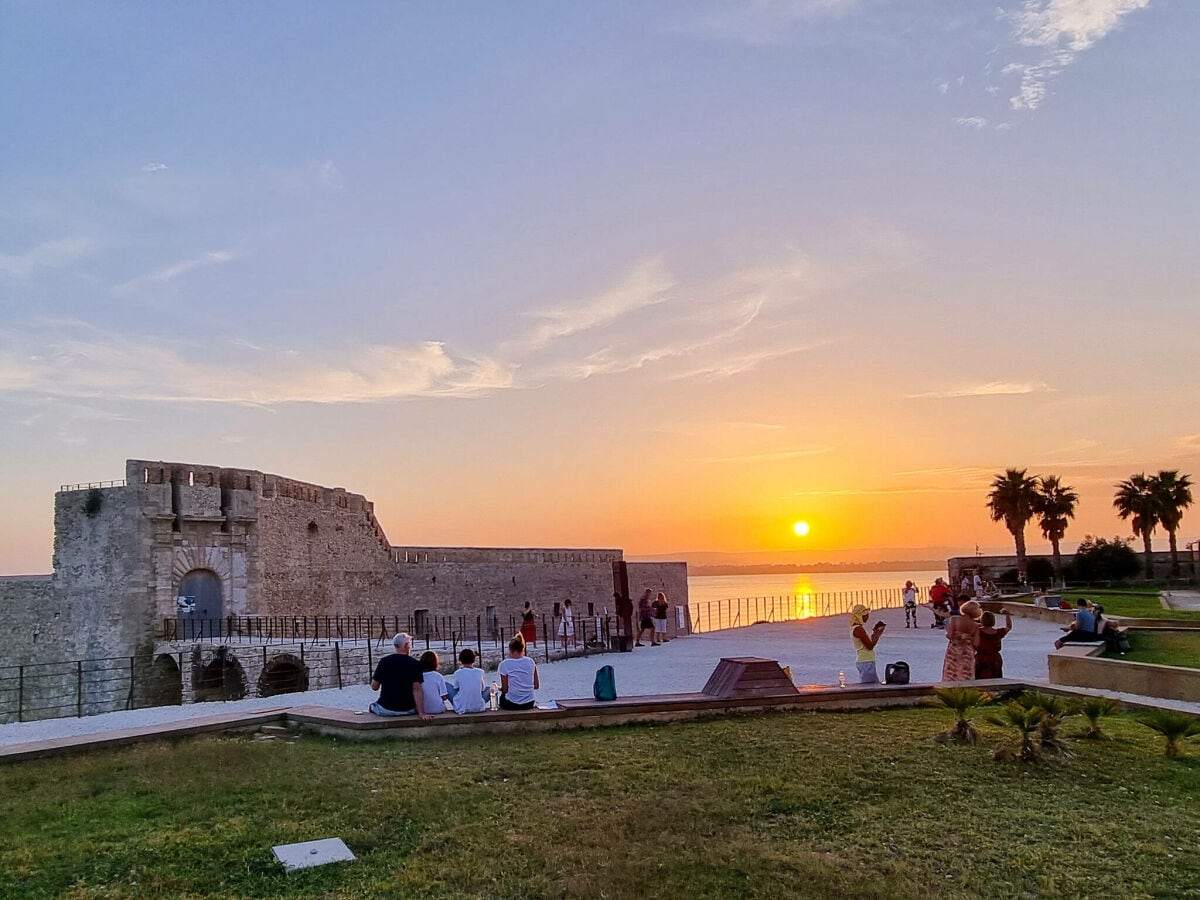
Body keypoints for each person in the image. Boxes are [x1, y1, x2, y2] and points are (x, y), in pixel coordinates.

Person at [369, 633, 431, 720]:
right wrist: (421, 712)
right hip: (408, 709)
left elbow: (374, 687)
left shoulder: (384, 662)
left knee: (373, 706)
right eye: (410, 644)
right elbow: (417, 689)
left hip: (386, 709)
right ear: (406, 645)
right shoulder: (415, 664)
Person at [942, 600, 982, 682]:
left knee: (951, 672)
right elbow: (976, 644)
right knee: (965, 672)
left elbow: (949, 636)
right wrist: (968, 637)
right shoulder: (976, 626)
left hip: (954, 649)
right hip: (967, 651)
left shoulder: (954, 619)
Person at [497, 635, 539, 710]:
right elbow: (536, 685)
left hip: (511, 703)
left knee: (502, 696)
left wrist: (499, 688)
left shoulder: (504, 664)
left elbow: (505, 689)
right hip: (529, 702)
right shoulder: (530, 662)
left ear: (510, 649)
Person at [848, 604, 886, 684]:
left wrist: (874, 634)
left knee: (874, 685)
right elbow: (870, 646)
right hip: (866, 661)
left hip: (866, 660)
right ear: (860, 616)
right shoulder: (859, 629)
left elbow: (868, 643)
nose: (867, 617)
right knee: (870, 686)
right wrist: (878, 634)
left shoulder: (856, 628)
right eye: (866, 615)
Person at [446, 647, 489, 714]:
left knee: (446, 685)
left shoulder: (458, 672)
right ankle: (476, 702)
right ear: (474, 659)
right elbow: (482, 689)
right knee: (489, 689)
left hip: (461, 707)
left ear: (461, 660)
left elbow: (456, 687)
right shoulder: (480, 671)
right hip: (479, 707)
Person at [974, 609, 1012, 679]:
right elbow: (1009, 627)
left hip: (981, 658)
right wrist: (1007, 615)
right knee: (996, 678)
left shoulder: (978, 631)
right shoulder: (998, 632)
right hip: (995, 659)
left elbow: (975, 644)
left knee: (979, 679)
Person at [418, 650, 449, 715]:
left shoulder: (418, 676)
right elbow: (444, 696)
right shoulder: (438, 676)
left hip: (422, 709)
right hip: (438, 709)